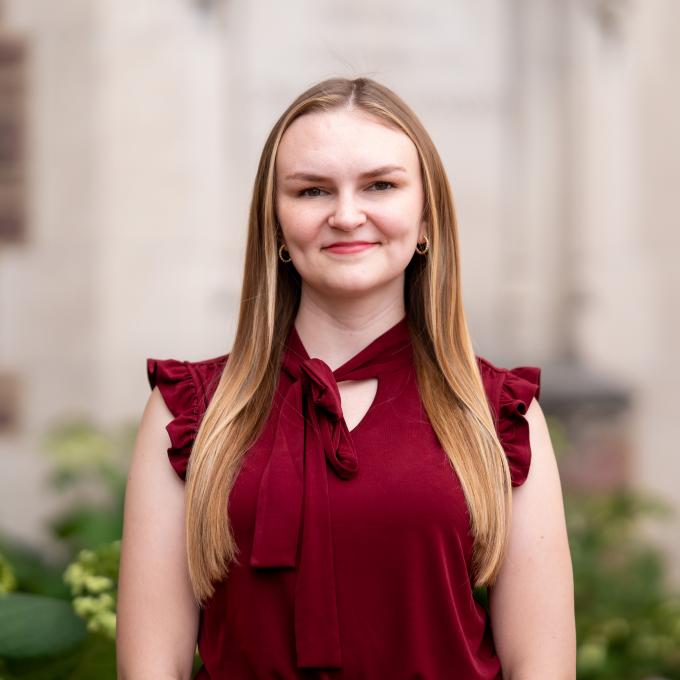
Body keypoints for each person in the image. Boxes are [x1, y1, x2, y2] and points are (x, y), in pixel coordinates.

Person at [116, 77, 576, 680]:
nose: (347, 214)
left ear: (426, 216)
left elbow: (540, 667)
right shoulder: (188, 412)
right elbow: (152, 669)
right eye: (312, 191)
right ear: (276, 224)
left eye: (380, 185)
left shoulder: (498, 414)